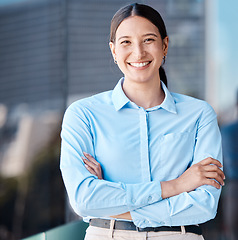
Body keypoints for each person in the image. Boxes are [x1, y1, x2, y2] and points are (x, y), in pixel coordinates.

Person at [60, 3, 225, 240]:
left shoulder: (199, 114)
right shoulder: (83, 114)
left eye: (148, 40)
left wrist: (112, 202)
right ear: (113, 50)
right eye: (126, 42)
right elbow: (84, 200)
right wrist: (176, 186)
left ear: (165, 45)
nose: (138, 53)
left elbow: (204, 205)